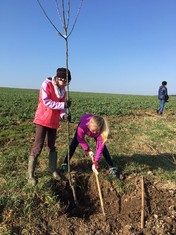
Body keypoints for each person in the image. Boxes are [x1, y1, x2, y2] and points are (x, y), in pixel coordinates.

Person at [27, 67, 72, 186]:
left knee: (51, 146)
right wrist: (62, 104)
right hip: (42, 119)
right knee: (38, 146)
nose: (66, 85)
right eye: (65, 82)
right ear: (58, 79)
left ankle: (52, 170)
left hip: (53, 121)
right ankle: (31, 175)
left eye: (67, 83)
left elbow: (61, 108)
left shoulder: (63, 91)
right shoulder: (46, 84)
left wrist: (64, 115)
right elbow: (46, 101)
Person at [60, 114, 120, 178]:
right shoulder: (82, 127)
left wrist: (96, 162)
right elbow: (81, 139)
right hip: (83, 125)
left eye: (96, 131)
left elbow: (100, 147)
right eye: (93, 130)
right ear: (89, 126)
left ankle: (111, 167)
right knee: (74, 143)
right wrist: (88, 150)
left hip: (95, 127)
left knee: (103, 148)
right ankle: (65, 163)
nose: (94, 133)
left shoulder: (101, 131)